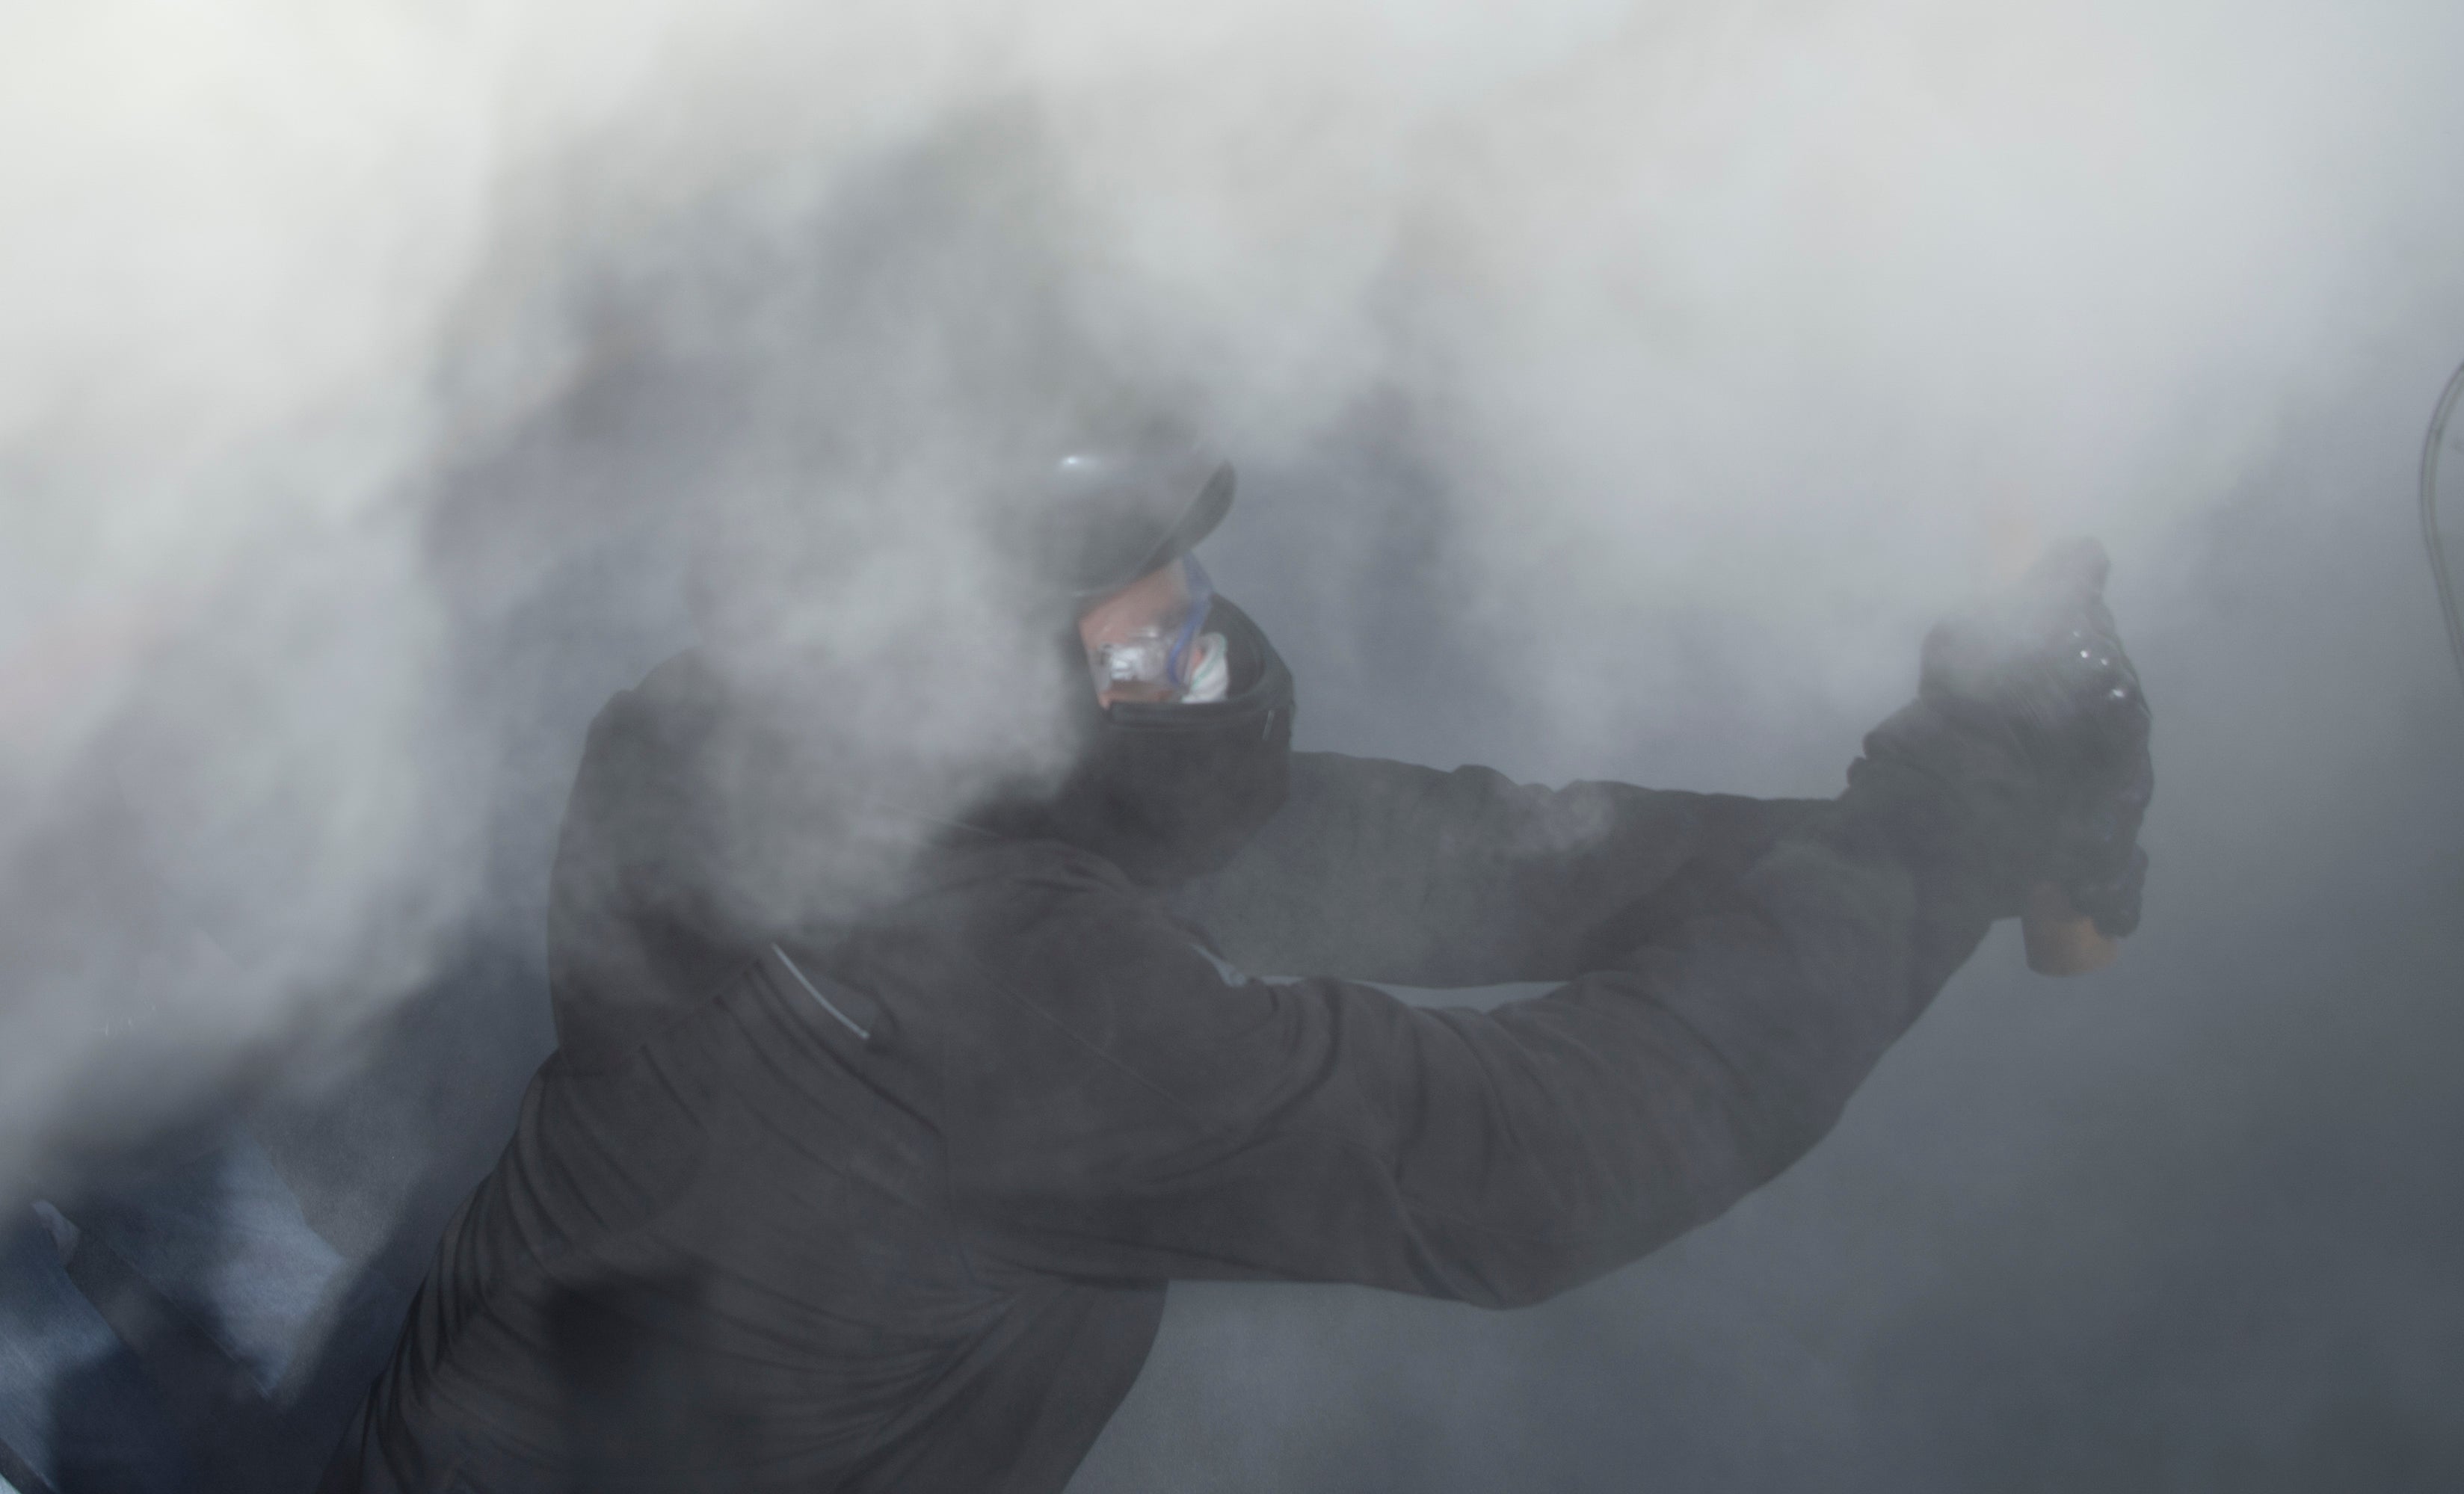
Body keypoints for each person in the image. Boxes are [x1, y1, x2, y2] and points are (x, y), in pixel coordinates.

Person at [325, 416, 2152, 1491]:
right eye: (1120, 581)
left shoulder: (730, 746)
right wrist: (1956, 828)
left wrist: (1903, 825)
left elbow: (1439, 858)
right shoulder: (1010, 1010)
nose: (1181, 609)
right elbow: (1548, 1152)